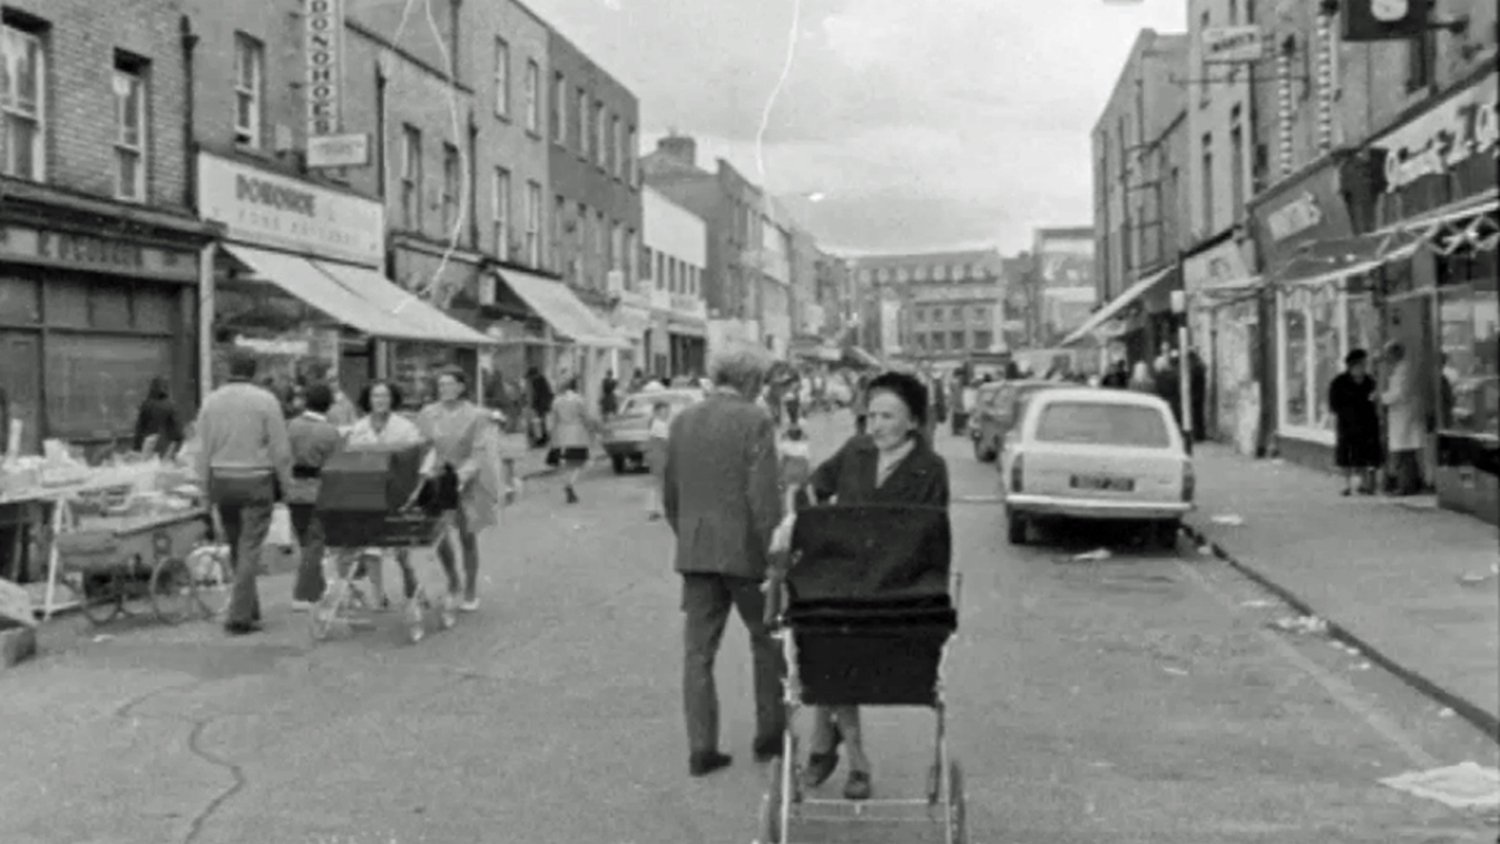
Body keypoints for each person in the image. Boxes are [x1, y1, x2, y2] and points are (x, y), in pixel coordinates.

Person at [790, 371, 949, 801]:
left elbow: (928, 538)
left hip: (902, 589)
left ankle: (826, 744)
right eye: (871, 415)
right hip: (848, 582)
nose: (875, 425)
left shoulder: (930, 470)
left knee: (838, 647)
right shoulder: (856, 451)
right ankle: (857, 759)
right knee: (826, 637)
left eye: (888, 416)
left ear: (914, 422)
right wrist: (803, 519)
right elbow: (814, 489)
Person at [662, 346, 785, 778]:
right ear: (751, 381)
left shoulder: (682, 421)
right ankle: (770, 737)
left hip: (696, 551)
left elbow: (671, 494)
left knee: (698, 653)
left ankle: (702, 748)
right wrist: (776, 552)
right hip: (745, 550)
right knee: (767, 641)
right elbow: (763, 496)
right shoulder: (756, 420)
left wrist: (689, 537)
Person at [195, 350, 293, 636]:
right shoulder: (266, 401)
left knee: (237, 544)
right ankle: (239, 615)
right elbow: (281, 450)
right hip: (256, 480)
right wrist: (286, 485)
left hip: (222, 481)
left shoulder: (211, 402)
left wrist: (203, 489)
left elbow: (201, 449)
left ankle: (251, 609)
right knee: (250, 548)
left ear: (228, 370)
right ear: (254, 372)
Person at [419, 368, 501, 612]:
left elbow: (480, 450)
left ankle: (470, 588)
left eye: (450, 384)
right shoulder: (428, 413)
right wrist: (425, 470)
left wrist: (460, 477)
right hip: (437, 478)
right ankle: (453, 578)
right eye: (441, 385)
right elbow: (422, 445)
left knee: (467, 536)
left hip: (466, 480)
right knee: (439, 535)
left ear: (462, 387)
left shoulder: (477, 416)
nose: (445, 389)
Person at [341, 380, 426, 604]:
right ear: (368, 400)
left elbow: (414, 457)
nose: (380, 401)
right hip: (368, 494)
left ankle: (410, 579)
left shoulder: (405, 427)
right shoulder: (358, 427)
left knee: (399, 548)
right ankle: (377, 592)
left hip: (397, 494)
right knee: (369, 546)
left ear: (392, 399)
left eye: (385, 396)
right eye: (375, 396)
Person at [288, 384, 344, 609]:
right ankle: (303, 594)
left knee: (303, 540)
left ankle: (317, 587)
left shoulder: (289, 426)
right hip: (318, 489)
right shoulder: (330, 432)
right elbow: (339, 464)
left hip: (293, 489)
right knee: (316, 542)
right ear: (328, 405)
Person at [1329, 349, 1382, 497]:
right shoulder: (1339, 382)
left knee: (1366, 453)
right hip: (1347, 424)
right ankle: (1346, 484)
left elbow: (1375, 401)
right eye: (1361, 365)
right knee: (1345, 454)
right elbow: (1333, 404)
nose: (1364, 368)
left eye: (1365, 365)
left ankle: (1364, 484)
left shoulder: (1370, 382)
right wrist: (1345, 413)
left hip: (1367, 423)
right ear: (1352, 366)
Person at [1381, 341, 1423, 496]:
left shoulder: (1403, 371)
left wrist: (1381, 398)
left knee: (1403, 453)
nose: (1386, 358)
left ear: (1395, 354)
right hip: (1403, 415)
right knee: (1406, 452)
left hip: (1404, 415)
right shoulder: (1401, 369)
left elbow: (1399, 394)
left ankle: (1406, 486)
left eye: (1388, 354)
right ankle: (1410, 483)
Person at [548, 378, 596, 504]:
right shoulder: (579, 400)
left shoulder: (556, 401)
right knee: (580, 462)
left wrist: (552, 435)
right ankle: (570, 484)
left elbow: (553, 420)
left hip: (562, 433)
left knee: (564, 464)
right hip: (578, 433)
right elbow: (585, 416)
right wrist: (591, 429)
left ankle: (567, 483)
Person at [133, 376, 183, 458]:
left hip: (148, 442)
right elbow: (177, 429)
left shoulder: (146, 404)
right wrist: (177, 446)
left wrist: (137, 447)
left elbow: (140, 428)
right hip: (167, 443)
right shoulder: (171, 405)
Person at [645, 400, 672, 520]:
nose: (667, 413)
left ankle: (655, 509)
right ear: (657, 412)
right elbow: (668, 441)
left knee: (658, 483)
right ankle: (654, 509)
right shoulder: (659, 425)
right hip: (659, 456)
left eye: (667, 410)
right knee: (658, 483)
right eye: (664, 411)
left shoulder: (656, 423)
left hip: (656, 456)